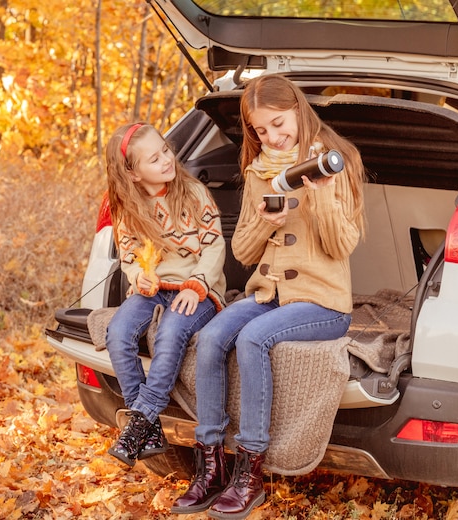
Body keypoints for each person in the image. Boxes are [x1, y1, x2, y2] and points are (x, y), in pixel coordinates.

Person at [172, 75, 366, 518]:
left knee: (252, 339)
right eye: (261, 131)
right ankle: (210, 463)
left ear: (299, 110)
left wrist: (318, 199)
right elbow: (241, 252)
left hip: (322, 302)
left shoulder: (336, 162)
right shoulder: (259, 171)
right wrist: (265, 221)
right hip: (269, 293)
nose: (272, 136)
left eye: (279, 125)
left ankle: (250, 470)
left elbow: (343, 246)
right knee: (213, 333)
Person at [104, 122, 227, 469]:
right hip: (156, 287)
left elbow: (214, 246)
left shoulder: (193, 193)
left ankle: (139, 419)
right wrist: (138, 276)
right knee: (118, 332)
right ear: (133, 173)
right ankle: (151, 430)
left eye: (166, 151)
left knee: (172, 331)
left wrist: (199, 284)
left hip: (197, 287)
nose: (166, 160)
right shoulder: (128, 208)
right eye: (154, 159)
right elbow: (129, 256)